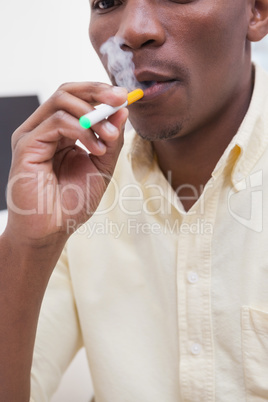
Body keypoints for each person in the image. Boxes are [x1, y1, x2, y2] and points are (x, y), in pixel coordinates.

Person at [1, 0, 268, 401]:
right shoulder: (76, 188)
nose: (132, 31)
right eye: (107, 1)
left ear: (257, 11)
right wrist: (28, 245)